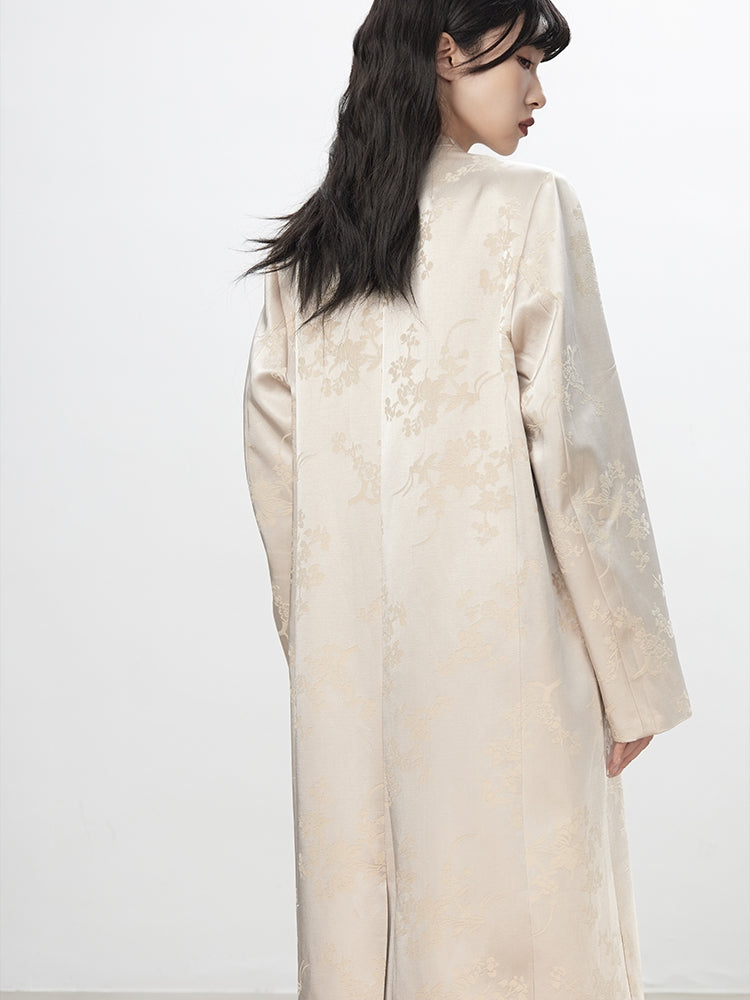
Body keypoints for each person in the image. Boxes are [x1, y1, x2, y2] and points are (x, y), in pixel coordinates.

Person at [240, 1, 693, 996]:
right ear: (447, 54)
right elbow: (582, 456)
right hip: (507, 662)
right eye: (523, 59)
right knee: (522, 935)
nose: (539, 91)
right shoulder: (529, 211)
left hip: (351, 679)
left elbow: (276, 471)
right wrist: (633, 677)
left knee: (370, 937)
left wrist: (323, 643)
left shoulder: (311, 254)